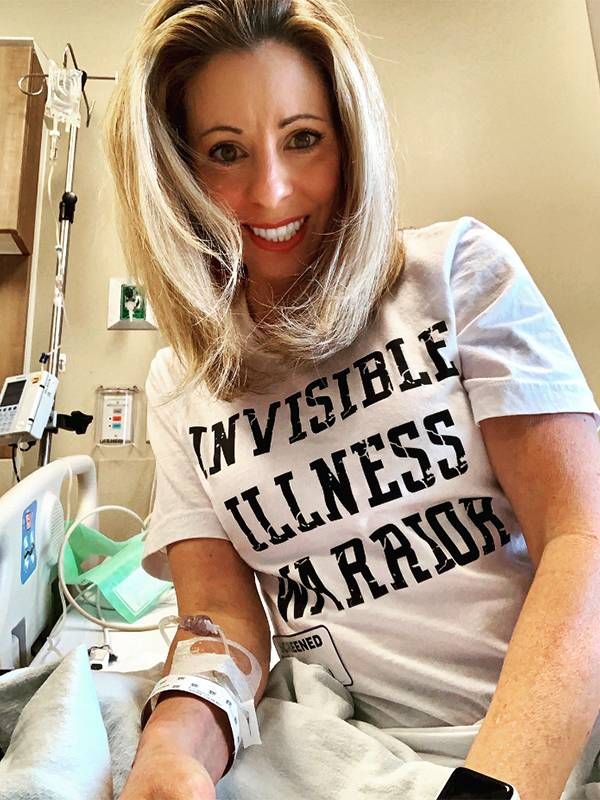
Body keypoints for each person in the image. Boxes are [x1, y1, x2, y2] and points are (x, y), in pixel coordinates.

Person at [103, 2, 600, 799]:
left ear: (350, 138)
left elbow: (580, 540)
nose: (271, 191)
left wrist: (494, 786)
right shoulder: (180, 385)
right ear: (180, 177)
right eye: (225, 152)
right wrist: (175, 750)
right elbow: (224, 625)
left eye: (303, 138)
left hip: (534, 737)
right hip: (351, 750)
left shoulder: (458, 276)